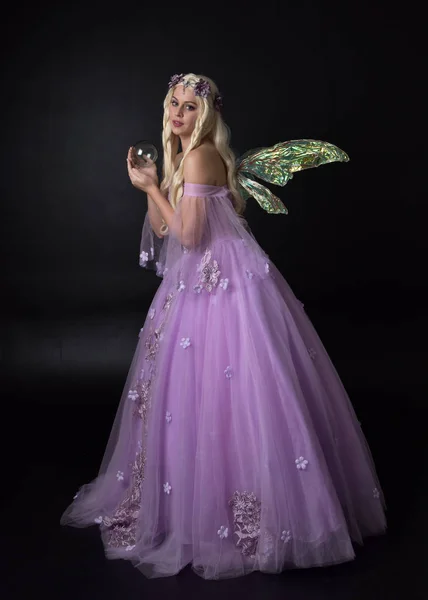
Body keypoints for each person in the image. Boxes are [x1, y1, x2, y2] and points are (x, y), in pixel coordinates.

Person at [61, 73, 386, 580]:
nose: (177, 113)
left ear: (206, 114)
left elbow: (189, 239)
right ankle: (204, 498)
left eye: (189, 107)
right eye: (173, 103)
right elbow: (167, 226)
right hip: (198, 287)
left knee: (235, 386)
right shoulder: (183, 155)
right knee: (202, 390)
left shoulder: (199, 155)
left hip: (222, 285)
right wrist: (153, 186)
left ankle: (250, 511)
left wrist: (151, 186)